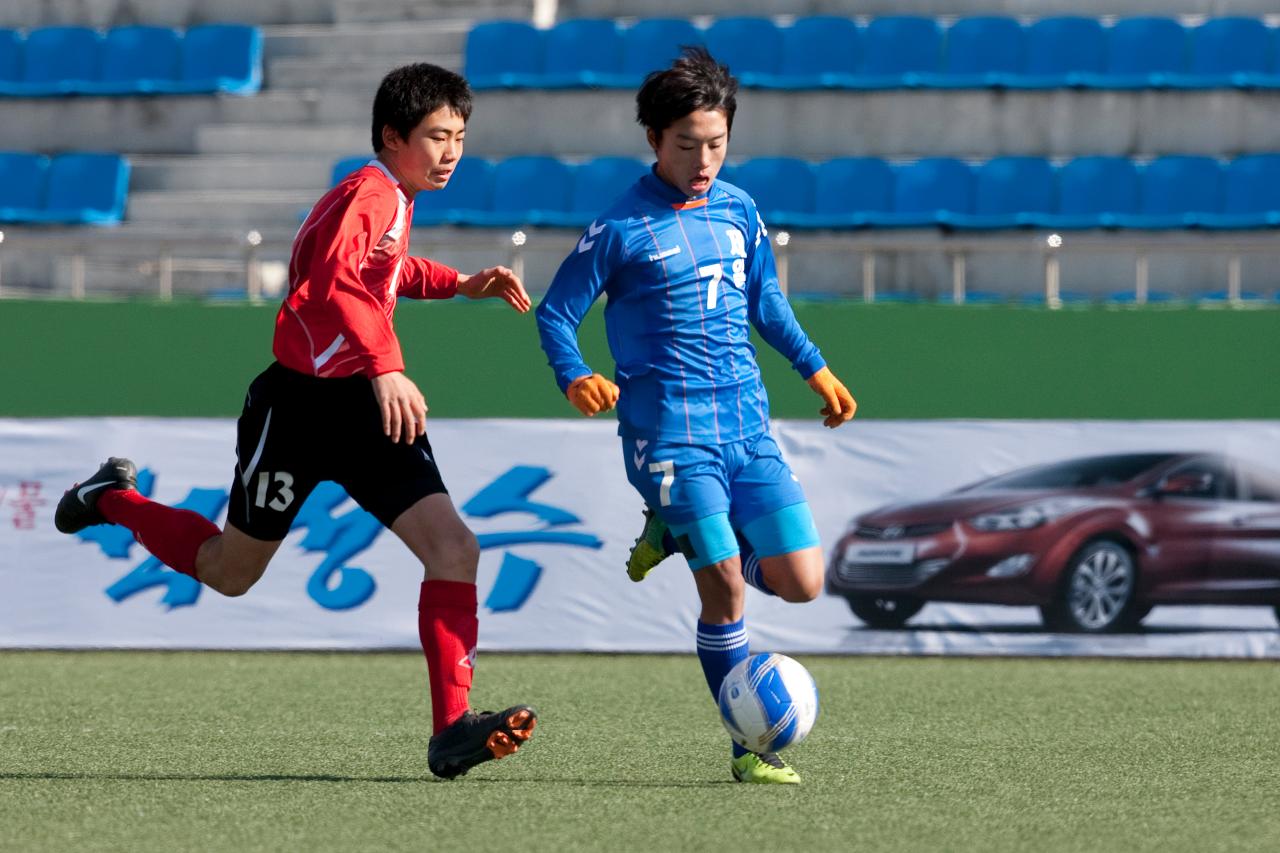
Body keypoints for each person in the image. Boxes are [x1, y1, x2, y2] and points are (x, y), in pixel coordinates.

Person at [53, 63, 537, 781]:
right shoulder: (367, 193)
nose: (451, 152)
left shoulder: (395, 199)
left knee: (454, 548)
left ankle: (452, 730)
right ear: (391, 136)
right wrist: (386, 364)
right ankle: (110, 498)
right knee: (229, 571)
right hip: (299, 409)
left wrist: (458, 282)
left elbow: (387, 269)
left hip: (366, 408)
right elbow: (333, 282)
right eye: (437, 136)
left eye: (459, 137)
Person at [535, 47, 856, 785]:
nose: (704, 159)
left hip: (747, 424)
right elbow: (556, 312)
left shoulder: (739, 209)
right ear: (654, 140)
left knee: (803, 581)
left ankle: (678, 535)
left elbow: (764, 302)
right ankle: (750, 746)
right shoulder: (619, 227)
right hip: (670, 432)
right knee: (728, 589)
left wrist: (816, 366)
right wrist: (575, 373)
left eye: (717, 143)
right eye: (688, 145)